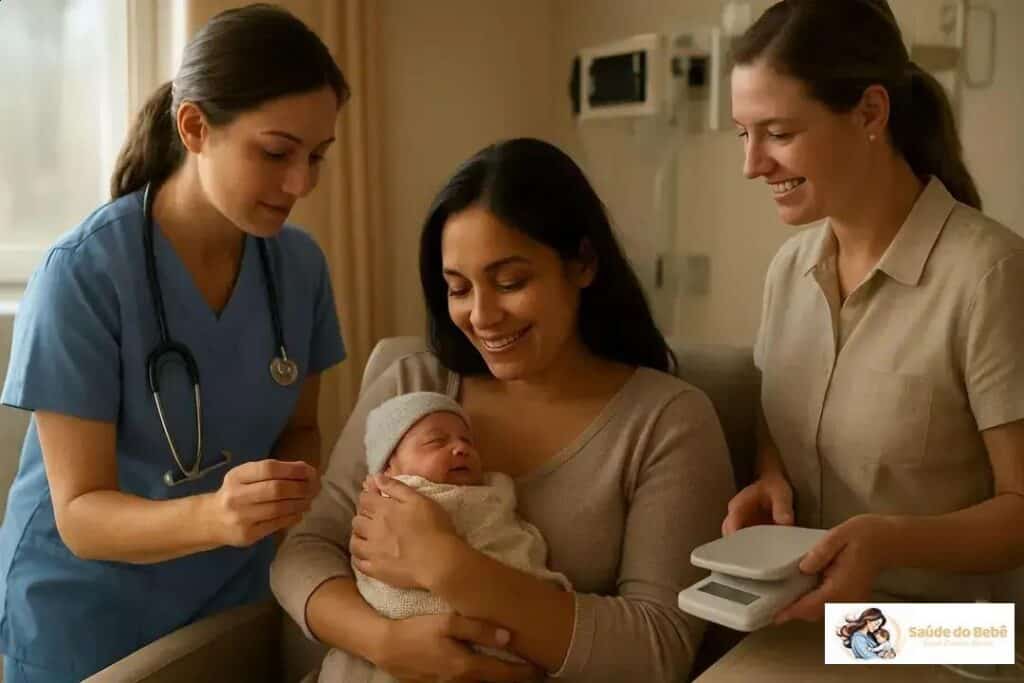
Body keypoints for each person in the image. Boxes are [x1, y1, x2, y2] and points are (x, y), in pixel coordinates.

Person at [271, 137, 735, 682]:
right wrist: (387, 642)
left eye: (511, 282)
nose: (482, 316)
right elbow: (304, 551)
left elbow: (658, 648)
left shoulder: (666, 421)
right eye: (458, 288)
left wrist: (452, 568)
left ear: (583, 263)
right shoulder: (415, 385)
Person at [0, 5, 349, 681]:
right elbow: (80, 513)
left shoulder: (299, 268)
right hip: (84, 620)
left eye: (316, 157)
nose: (300, 183)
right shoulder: (84, 275)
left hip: (231, 602)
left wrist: (288, 497)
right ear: (194, 127)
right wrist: (217, 515)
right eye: (276, 152)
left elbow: (300, 429)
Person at [722, 0, 1024, 623]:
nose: (752, 165)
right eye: (743, 134)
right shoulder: (788, 270)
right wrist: (772, 480)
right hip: (809, 616)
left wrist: (887, 542)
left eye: (778, 134)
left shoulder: (990, 275)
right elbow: (779, 424)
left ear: (870, 113)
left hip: (958, 635)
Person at [339, 391, 570, 683]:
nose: (460, 448)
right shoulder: (390, 499)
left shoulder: (492, 493)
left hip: (512, 616)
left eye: (467, 440)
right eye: (436, 441)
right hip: (416, 635)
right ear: (388, 468)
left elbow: (509, 538)